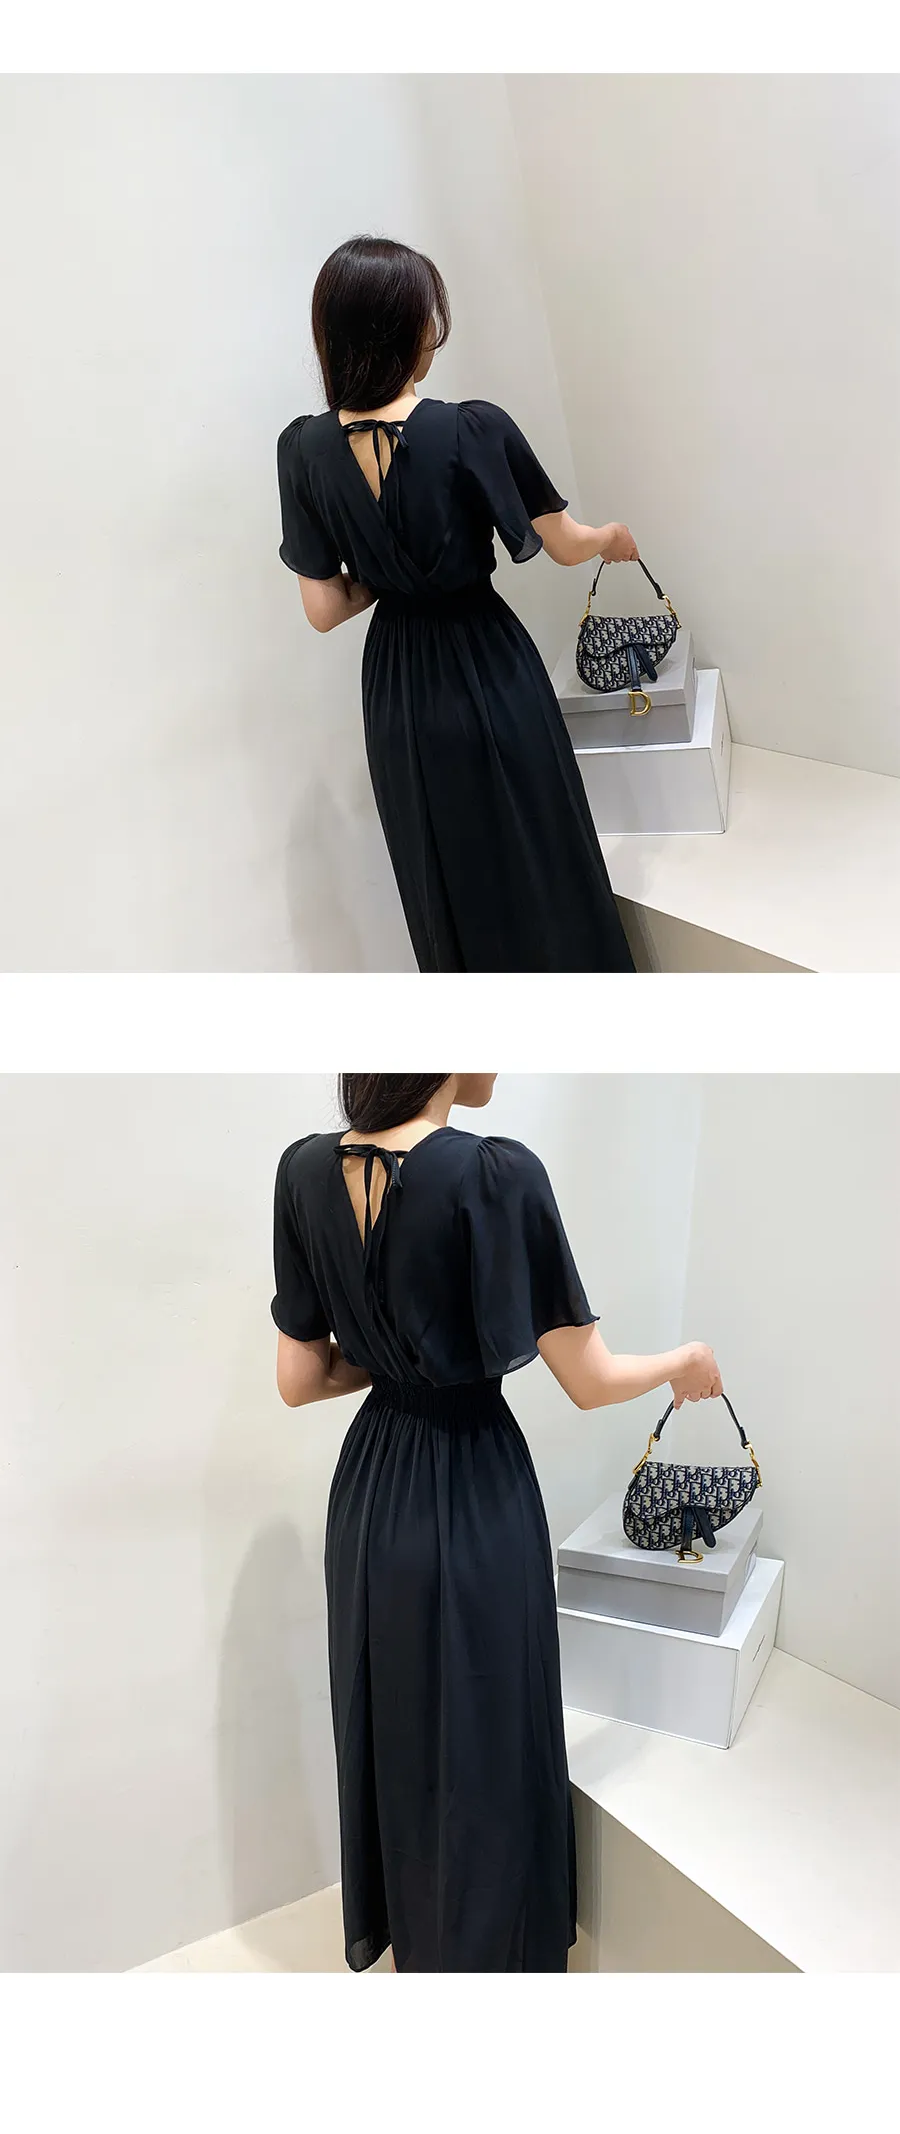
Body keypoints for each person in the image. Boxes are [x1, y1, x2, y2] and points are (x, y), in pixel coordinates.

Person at [273, 1071, 724, 1975]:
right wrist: (685, 1360)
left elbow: (299, 1379)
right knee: (485, 1729)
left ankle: (417, 1939)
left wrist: (393, 1357)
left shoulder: (305, 1172)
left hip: (370, 1494)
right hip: (472, 1484)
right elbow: (590, 1380)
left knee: (396, 1722)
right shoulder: (495, 1174)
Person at [277, 234, 639, 973]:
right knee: (538, 845)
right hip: (486, 661)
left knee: (441, 865)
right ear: (410, 327)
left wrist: (386, 574)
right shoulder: (473, 428)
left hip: (397, 689)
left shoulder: (302, 449)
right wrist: (611, 538)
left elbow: (323, 608)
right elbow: (565, 544)